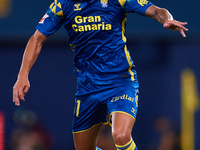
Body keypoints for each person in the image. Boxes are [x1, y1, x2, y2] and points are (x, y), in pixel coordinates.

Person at [13, 0, 188, 149]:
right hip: (88, 87)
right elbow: (36, 39)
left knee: (120, 135)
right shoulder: (62, 5)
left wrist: (168, 19)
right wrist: (23, 74)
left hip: (120, 81)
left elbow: (156, 11)